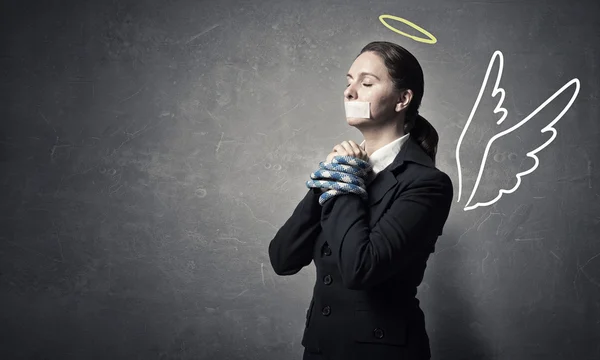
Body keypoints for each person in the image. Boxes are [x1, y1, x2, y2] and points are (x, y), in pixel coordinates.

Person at [268, 41, 453, 360]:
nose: (350, 92)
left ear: (402, 99)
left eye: (366, 83)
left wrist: (344, 182)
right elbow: (283, 259)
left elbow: (360, 269)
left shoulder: (427, 183)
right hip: (321, 350)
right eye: (349, 81)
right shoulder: (342, 166)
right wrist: (330, 177)